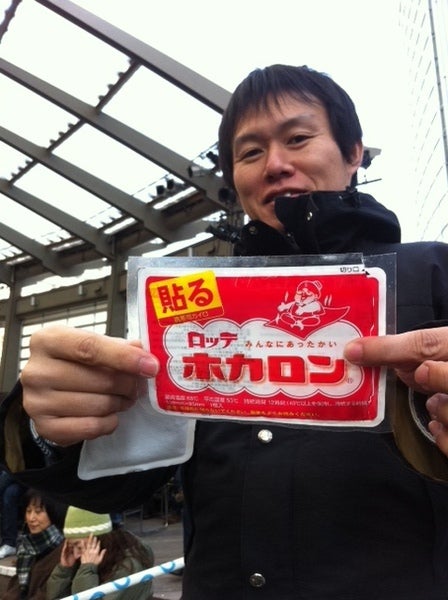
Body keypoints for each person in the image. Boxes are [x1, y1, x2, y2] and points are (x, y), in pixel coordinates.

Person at [1, 64, 448, 599]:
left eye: (298, 139)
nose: (275, 164)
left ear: (353, 152)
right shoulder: (193, 304)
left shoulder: (432, 273)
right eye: (250, 152)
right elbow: (125, 483)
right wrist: (49, 429)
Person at [46, 506, 154, 600]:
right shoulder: (86, 562)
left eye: (79, 547)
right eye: (71, 547)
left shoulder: (128, 566)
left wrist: (87, 569)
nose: (76, 554)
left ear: (100, 541)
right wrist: (64, 571)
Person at [3, 489, 67, 600]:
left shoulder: (63, 551)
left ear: (53, 513)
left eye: (38, 512)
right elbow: (16, 589)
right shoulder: (26, 548)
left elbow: (47, 593)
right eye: (28, 511)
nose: (31, 518)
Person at [0, 469, 26, 559]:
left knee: (9, 493)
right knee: (9, 493)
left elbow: (15, 469)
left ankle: (9, 543)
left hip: (28, 477)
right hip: (12, 479)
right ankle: (9, 542)